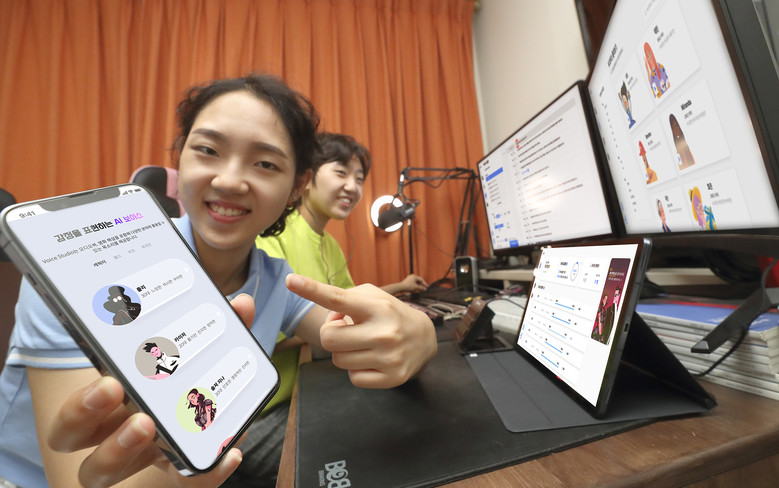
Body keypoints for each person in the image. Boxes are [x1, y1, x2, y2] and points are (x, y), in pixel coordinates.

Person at [0, 74, 437, 488]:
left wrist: (416, 336)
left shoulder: (275, 279)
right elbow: (74, 477)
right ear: (180, 157)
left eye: (265, 163)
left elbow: (353, 333)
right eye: (208, 150)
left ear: (296, 186)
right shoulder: (79, 278)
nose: (228, 181)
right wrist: (183, 477)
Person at [257, 131, 428, 294]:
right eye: (341, 173)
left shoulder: (332, 246)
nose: (353, 187)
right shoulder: (274, 231)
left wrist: (401, 286)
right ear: (306, 179)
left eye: (359, 179)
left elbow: (348, 300)